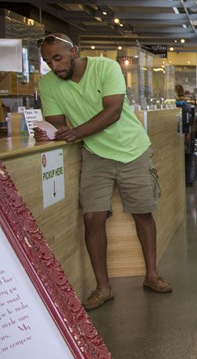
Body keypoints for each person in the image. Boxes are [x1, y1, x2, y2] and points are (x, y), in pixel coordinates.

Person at [34, 33, 172, 311]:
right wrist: (51, 132)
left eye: (58, 58)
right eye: (48, 61)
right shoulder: (47, 84)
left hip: (132, 149)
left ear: (74, 52)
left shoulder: (106, 67)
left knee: (142, 213)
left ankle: (151, 275)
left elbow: (113, 111)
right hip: (95, 153)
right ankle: (103, 288)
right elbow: (57, 123)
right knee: (92, 218)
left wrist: (75, 132)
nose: (54, 66)